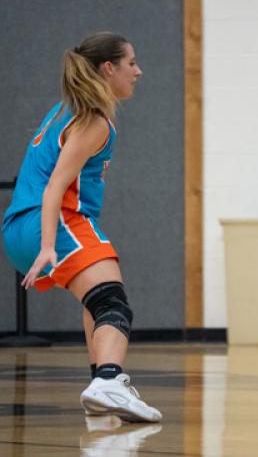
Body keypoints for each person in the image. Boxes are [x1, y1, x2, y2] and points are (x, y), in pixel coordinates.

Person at [1, 33, 161, 422]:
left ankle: (102, 387)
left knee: (98, 300)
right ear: (109, 68)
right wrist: (49, 246)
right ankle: (109, 379)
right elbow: (56, 184)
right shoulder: (93, 121)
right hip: (53, 223)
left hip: (23, 225)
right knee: (112, 302)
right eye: (131, 63)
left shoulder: (64, 110)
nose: (138, 71)